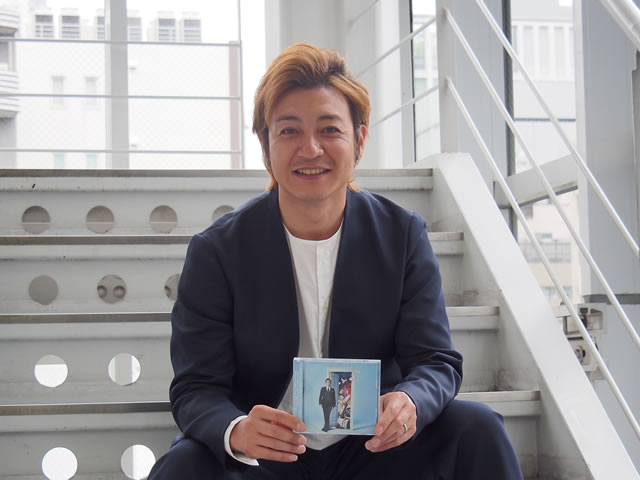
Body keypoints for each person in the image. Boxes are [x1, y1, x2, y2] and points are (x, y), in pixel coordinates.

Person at [148, 42, 523, 479]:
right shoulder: (218, 251)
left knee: (478, 428)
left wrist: (411, 402)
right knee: (184, 464)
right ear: (265, 144)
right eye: (289, 131)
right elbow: (195, 387)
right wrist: (238, 431)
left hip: (373, 446)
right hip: (269, 454)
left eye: (329, 130)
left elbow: (435, 360)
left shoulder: (401, 235)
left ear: (359, 140)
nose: (310, 149)